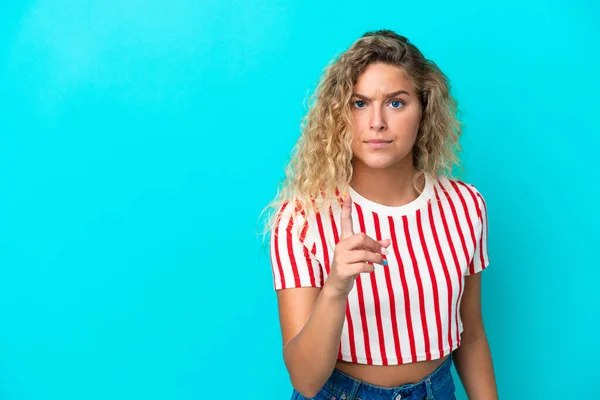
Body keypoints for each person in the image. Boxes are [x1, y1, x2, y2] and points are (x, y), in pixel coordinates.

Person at [262, 29, 498, 400]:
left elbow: (471, 336)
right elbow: (305, 381)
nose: (376, 122)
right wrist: (336, 287)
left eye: (396, 103)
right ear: (339, 115)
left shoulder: (465, 206)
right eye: (359, 103)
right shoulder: (301, 219)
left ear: (424, 109)